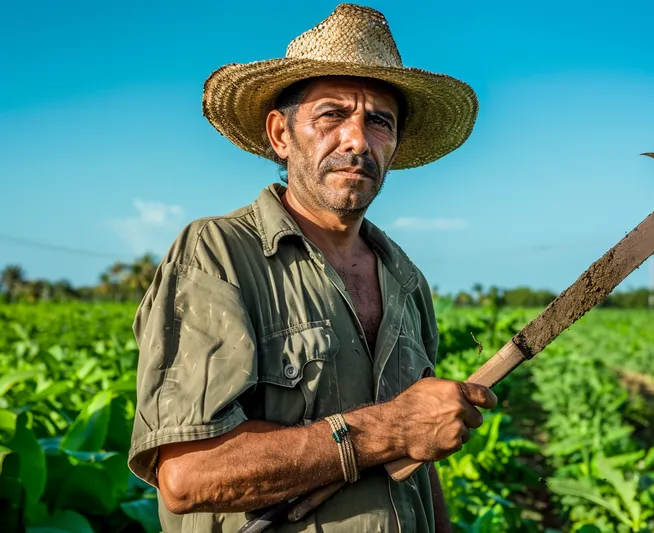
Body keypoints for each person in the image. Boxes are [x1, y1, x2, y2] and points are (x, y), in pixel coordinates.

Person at [127, 4, 496, 533]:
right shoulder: (219, 253)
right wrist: (387, 430)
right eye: (332, 115)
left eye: (379, 122)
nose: (357, 140)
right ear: (281, 134)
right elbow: (187, 475)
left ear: (394, 145)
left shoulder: (405, 277)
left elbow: (419, 464)